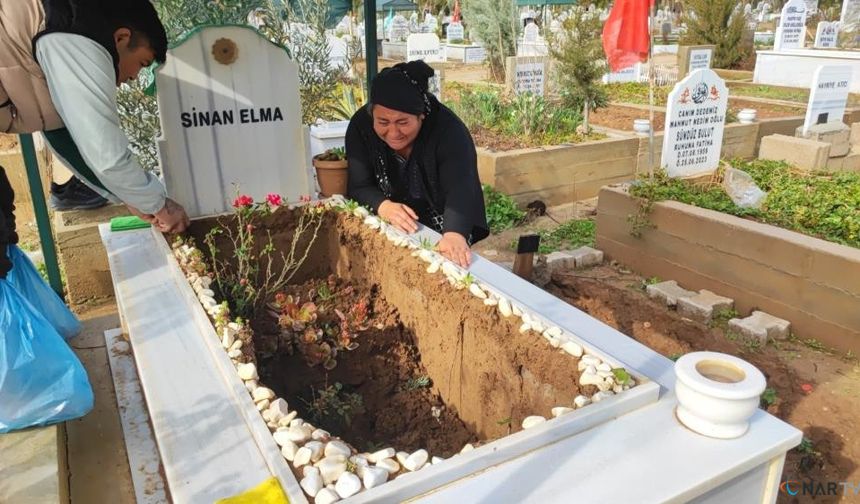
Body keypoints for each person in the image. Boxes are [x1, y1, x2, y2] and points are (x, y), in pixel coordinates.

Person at [0, 0, 190, 248]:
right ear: (121, 38)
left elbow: (64, 134)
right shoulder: (78, 35)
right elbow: (105, 153)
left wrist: (133, 197)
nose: (134, 77)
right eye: (142, 63)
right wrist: (159, 205)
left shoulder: (63, 26)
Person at [345, 61, 488, 268]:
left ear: (421, 115)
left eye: (403, 122)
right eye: (383, 122)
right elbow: (359, 184)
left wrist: (454, 234)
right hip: (392, 211)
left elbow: (461, 188)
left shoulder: (450, 132)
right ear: (372, 114)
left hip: (441, 214)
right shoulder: (361, 126)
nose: (393, 133)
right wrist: (383, 206)